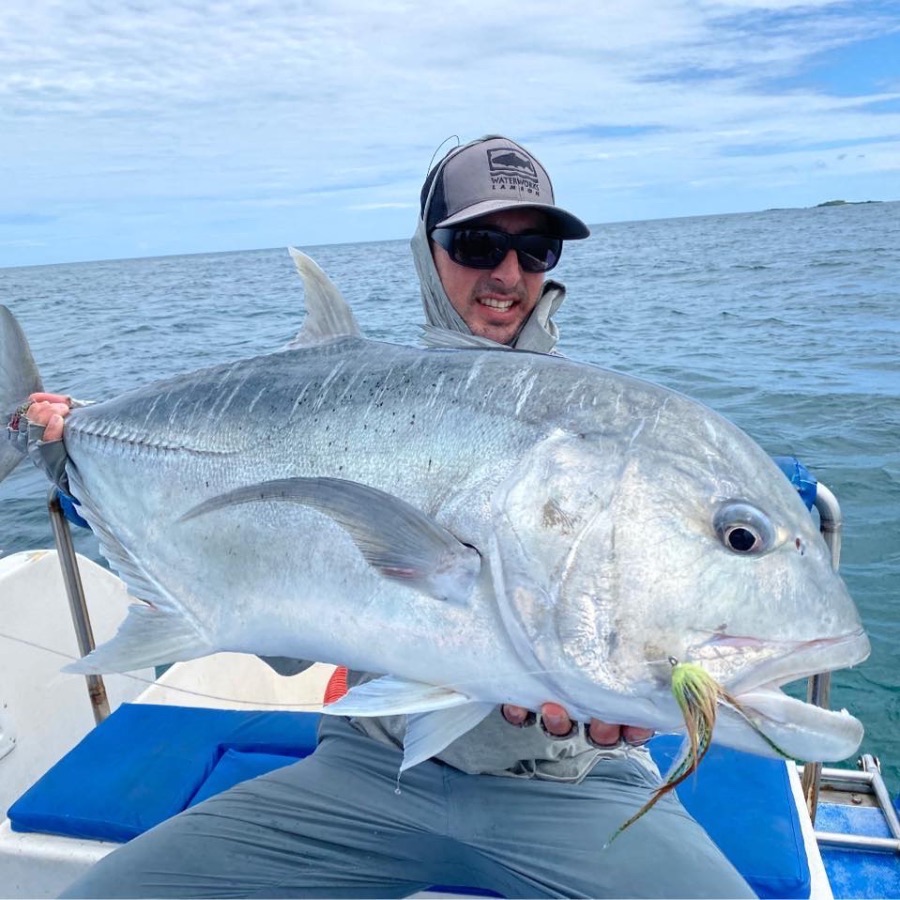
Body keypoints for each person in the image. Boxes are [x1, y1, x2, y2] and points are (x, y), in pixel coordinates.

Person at [24, 135, 754, 898]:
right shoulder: (341, 409)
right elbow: (283, 652)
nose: (507, 274)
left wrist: (642, 695)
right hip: (370, 768)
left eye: (535, 250)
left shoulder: (602, 443)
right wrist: (69, 450)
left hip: (572, 781)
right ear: (428, 250)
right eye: (477, 243)